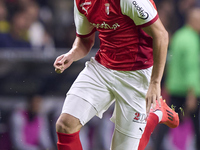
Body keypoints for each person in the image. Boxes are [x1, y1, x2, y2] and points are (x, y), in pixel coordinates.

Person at [53, 0, 179, 149]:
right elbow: (84, 41)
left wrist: (155, 82)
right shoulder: (80, 2)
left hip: (136, 74)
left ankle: (154, 114)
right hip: (102, 69)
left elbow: (162, 35)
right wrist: (72, 54)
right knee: (65, 125)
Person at [166, 7, 200, 150]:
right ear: (192, 21)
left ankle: (155, 145)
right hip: (188, 91)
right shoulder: (192, 39)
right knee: (197, 127)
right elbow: (191, 67)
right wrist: (192, 93)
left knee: (166, 123)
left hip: (174, 87)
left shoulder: (178, 35)